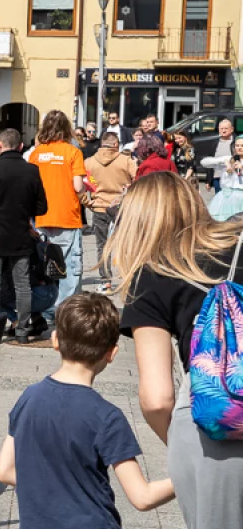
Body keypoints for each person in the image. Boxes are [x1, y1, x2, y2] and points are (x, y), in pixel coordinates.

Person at [109, 173, 243, 529]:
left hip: (219, 418)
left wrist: (183, 445)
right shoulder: (239, 241)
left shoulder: (151, 274)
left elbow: (157, 399)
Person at [0, 293, 176, 528]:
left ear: (55, 340)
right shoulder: (107, 417)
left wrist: (51, 492)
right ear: (111, 353)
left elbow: (5, 471)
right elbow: (142, 497)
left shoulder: (29, 397)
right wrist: (192, 477)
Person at [0, 128, 48, 341]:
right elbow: (41, 207)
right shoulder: (32, 170)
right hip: (21, 236)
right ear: (21, 146)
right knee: (22, 284)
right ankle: (23, 331)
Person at [29, 110, 87, 312]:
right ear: (66, 129)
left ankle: (46, 309)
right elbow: (78, 186)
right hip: (67, 216)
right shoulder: (73, 152)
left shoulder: (36, 154)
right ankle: (65, 310)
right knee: (68, 267)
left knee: (44, 265)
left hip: (41, 217)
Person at [85, 132, 136, 291]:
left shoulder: (89, 162)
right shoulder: (126, 161)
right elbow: (138, 180)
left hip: (99, 206)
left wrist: (88, 202)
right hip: (121, 207)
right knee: (125, 245)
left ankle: (105, 280)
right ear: (116, 144)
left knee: (102, 245)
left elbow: (83, 183)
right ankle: (127, 278)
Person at [206, 136, 243, 221]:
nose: (239, 148)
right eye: (237, 146)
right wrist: (228, 172)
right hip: (230, 196)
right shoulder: (231, 160)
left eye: (242, 146)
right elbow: (224, 183)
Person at [204, 118, 235, 192]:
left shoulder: (236, 143)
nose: (223, 131)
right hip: (217, 178)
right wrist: (208, 181)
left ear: (232, 129)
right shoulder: (214, 144)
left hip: (232, 178)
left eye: (226, 128)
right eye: (221, 128)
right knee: (219, 200)